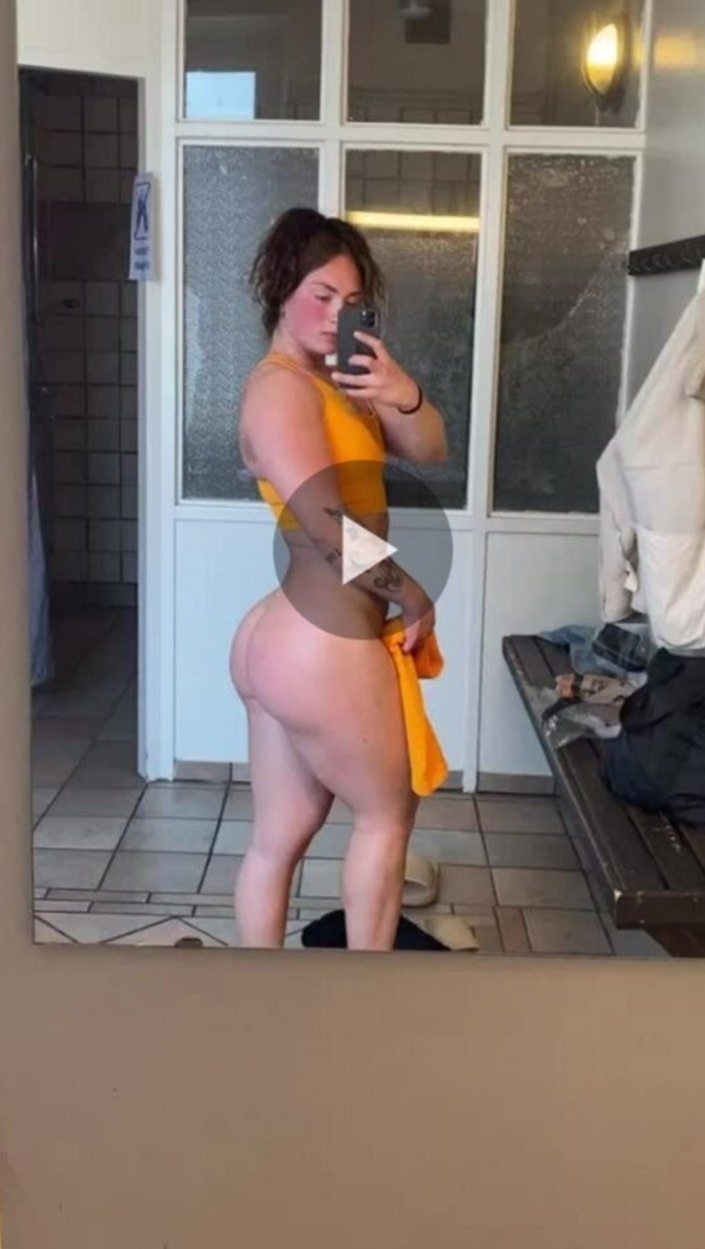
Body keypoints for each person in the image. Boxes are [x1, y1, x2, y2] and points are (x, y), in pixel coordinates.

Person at [228, 207, 449, 950]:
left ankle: (259, 999)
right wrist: (406, 589)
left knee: (280, 834)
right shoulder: (280, 390)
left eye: (350, 302)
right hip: (319, 639)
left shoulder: (337, 383)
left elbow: (431, 445)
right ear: (280, 290)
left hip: (284, 635)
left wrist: (397, 387)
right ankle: (366, 1003)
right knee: (386, 817)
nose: (335, 315)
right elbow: (324, 524)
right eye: (320, 296)